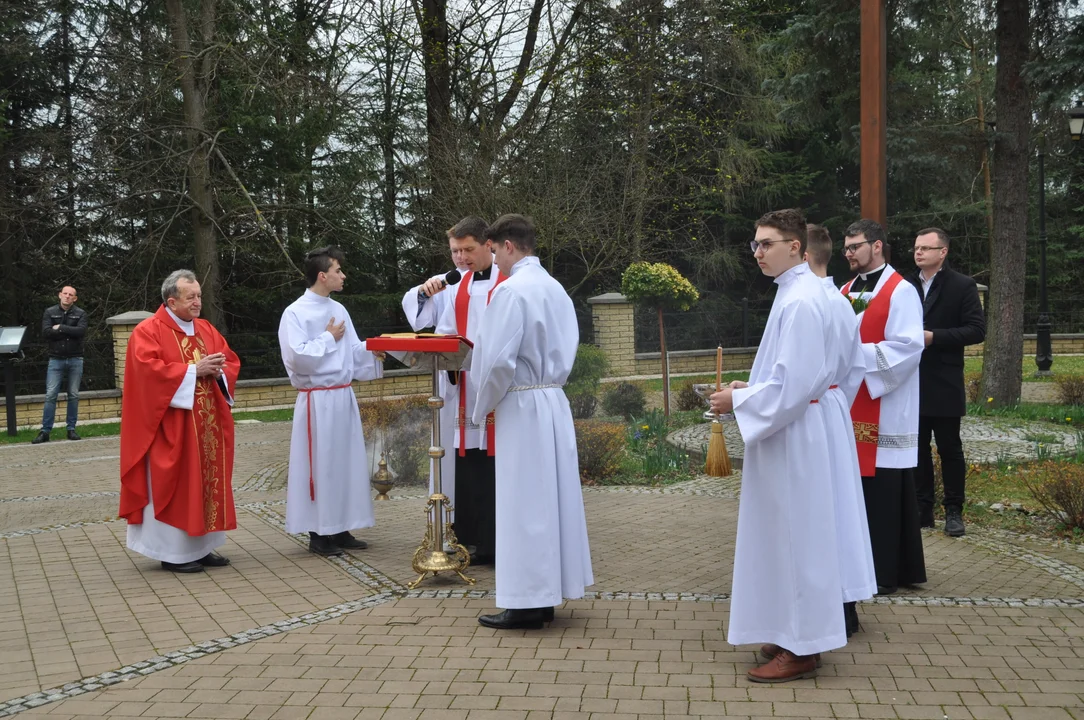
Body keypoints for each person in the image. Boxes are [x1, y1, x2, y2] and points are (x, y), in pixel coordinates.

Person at [710, 209, 848, 683]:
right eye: (755, 244)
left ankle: (802, 646)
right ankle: (790, 629)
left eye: (767, 244)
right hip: (794, 425)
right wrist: (751, 387)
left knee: (797, 537)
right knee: (784, 535)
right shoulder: (799, 293)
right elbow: (791, 374)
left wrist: (738, 399)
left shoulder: (803, 301)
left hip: (795, 431)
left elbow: (796, 383)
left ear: (796, 247)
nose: (757, 253)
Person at [470, 214, 593, 629]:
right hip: (553, 401)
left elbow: (495, 361)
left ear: (506, 245)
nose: (493, 262)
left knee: (524, 503)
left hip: (522, 405)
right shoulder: (554, 288)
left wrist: (480, 404)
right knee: (549, 500)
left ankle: (525, 602)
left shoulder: (511, 292)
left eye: (492, 251)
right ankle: (543, 596)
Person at [119, 270, 240, 573]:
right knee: (175, 486)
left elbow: (230, 360)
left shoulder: (206, 329)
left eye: (199, 295)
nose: (198, 302)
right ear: (171, 301)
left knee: (205, 483)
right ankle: (173, 553)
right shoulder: (148, 332)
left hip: (206, 426)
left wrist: (219, 370)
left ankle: (202, 547)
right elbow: (147, 374)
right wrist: (191, 371)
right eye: (191, 297)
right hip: (170, 428)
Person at [400, 217, 503, 564]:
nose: (460, 258)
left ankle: (497, 538)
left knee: (495, 462)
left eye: (467, 250)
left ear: (488, 244)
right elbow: (421, 318)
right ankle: (466, 537)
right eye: (455, 251)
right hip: (460, 387)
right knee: (464, 462)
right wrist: (422, 292)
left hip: (498, 389)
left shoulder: (510, 282)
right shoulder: (453, 284)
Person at [279, 246, 384, 556]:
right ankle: (318, 533)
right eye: (338, 271)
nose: (343, 276)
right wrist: (327, 337)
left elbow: (351, 351)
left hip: (342, 396)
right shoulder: (295, 312)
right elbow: (297, 358)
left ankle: (340, 527)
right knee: (321, 465)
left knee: (345, 464)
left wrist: (373, 351)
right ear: (323, 275)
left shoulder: (339, 310)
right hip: (317, 402)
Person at [841, 219, 927, 594]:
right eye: (845, 248)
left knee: (886, 492)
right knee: (856, 490)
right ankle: (859, 569)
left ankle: (888, 571)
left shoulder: (902, 290)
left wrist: (853, 357)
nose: (849, 253)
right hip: (850, 402)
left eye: (855, 246)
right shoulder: (843, 289)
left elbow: (909, 347)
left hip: (885, 402)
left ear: (877, 246)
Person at [805, 225, 878, 637]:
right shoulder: (840, 301)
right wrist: (835, 404)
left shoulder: (808, 302)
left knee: (822, 510)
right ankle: (844, 603)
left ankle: (835, 604)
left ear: (802, 252)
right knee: (840, 510)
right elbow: (854, 368)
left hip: (812, 416)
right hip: (832, 411)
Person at [905, 228, 986, 537]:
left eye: (926, 248)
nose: (919, 253)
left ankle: (954, 511)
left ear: (943, 252)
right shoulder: (905, 285)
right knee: (917, 449)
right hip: (910, 378)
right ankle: (922, 509)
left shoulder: (962, 286)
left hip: (945, 379)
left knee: (950, 448)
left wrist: (934, 337)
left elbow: (976, 331)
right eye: (916, 248)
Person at [32, 286, 87, 444]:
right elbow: (47, 333)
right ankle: (45, 431)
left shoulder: (80, 313)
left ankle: (71, 429)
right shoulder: (50, 312)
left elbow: (81, 332)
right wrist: (70, 331)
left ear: (75, 298)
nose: (67, 297)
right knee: (50, 395)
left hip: (76, 359)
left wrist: (61, 328)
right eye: (65, 294)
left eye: (71, 295)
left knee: (74, 395)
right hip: (55, 359)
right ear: (60, 295)